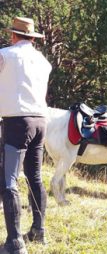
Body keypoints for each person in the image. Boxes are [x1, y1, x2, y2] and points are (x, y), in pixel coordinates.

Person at [0, 17, 52, 254]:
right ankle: (38, 231)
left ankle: (14, 242)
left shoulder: (5, 55)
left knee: (9, 180)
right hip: (40, 121)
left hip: (16, 123)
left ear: (13, 35)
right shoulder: (43, 61)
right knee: (35, 177)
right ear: (32, 38)